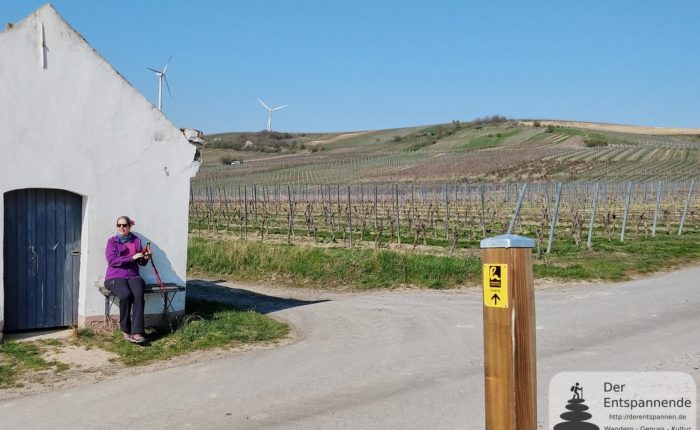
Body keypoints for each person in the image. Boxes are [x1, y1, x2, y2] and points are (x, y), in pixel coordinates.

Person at [104, 216, 151, 343]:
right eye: (119, 225)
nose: (121, 228)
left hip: (134, 275)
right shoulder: (112, 241)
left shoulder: (137, 241)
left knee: (138, 294)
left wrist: (145, 258)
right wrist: (132, 258)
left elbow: (141, 262)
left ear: (130, 226)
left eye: (124, 225)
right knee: (125, 295)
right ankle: (125, 329)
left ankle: (137, 332)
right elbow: (112, 260)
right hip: (115, 275)